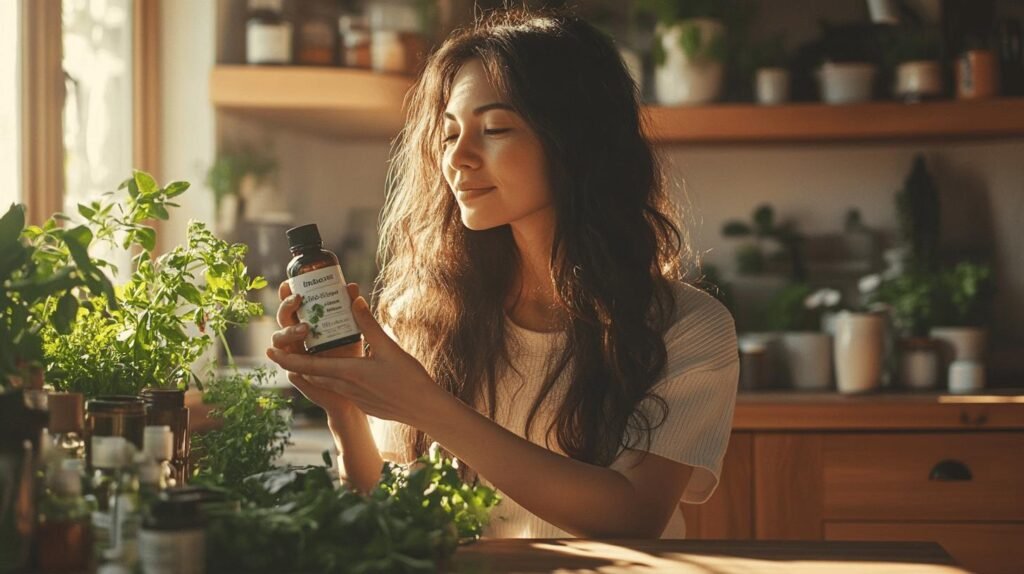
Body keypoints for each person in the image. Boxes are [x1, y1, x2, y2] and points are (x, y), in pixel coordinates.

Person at [267, 8, 738, 539]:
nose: (459, 158)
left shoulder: (687, 326)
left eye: (494, 128)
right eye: (448, 135)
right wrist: (344, 408)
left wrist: (428, 406)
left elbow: (633, 516)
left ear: (577, 144)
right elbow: (387, 514)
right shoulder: (424, 313)